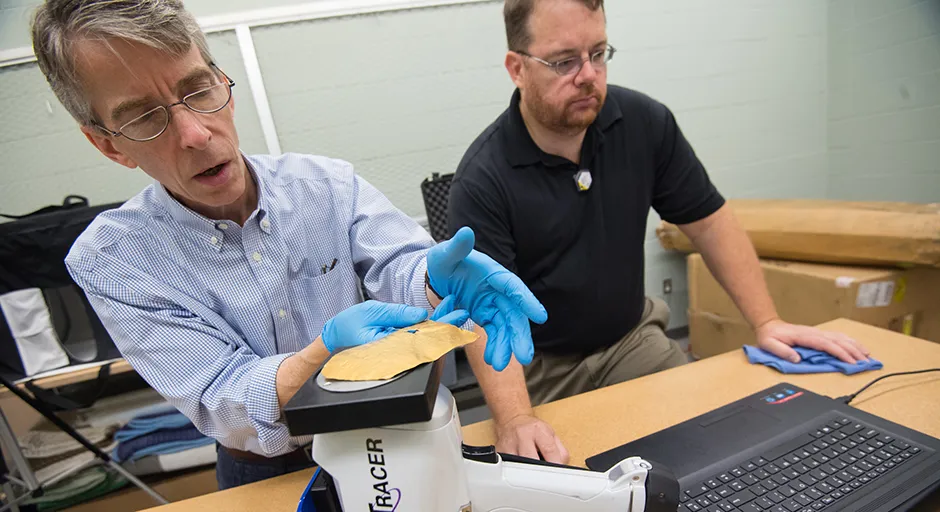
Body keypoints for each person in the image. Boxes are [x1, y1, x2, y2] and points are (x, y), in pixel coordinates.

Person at [30, 0, 547, 489]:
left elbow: (399, 266)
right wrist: (320, 356)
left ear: (221, 80)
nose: (194, 133)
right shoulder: (113, 261)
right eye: (145, 118)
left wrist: (432, 281)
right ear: (106, 143)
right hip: (263, 470)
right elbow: (219, 395)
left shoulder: (325, 185)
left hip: (392, 435)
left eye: (198, 88)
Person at [448, 0, 872, 465]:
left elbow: (710, 223)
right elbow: (484, 315)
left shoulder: (645, 124)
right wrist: (513, 419)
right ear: (517, 68)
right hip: (539, 366)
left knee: (714, 447)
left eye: (598, 53)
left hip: (631, 340)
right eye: (564, 61)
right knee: (565, 477)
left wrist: (767, 322)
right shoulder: (483, 177)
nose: (588, 75)